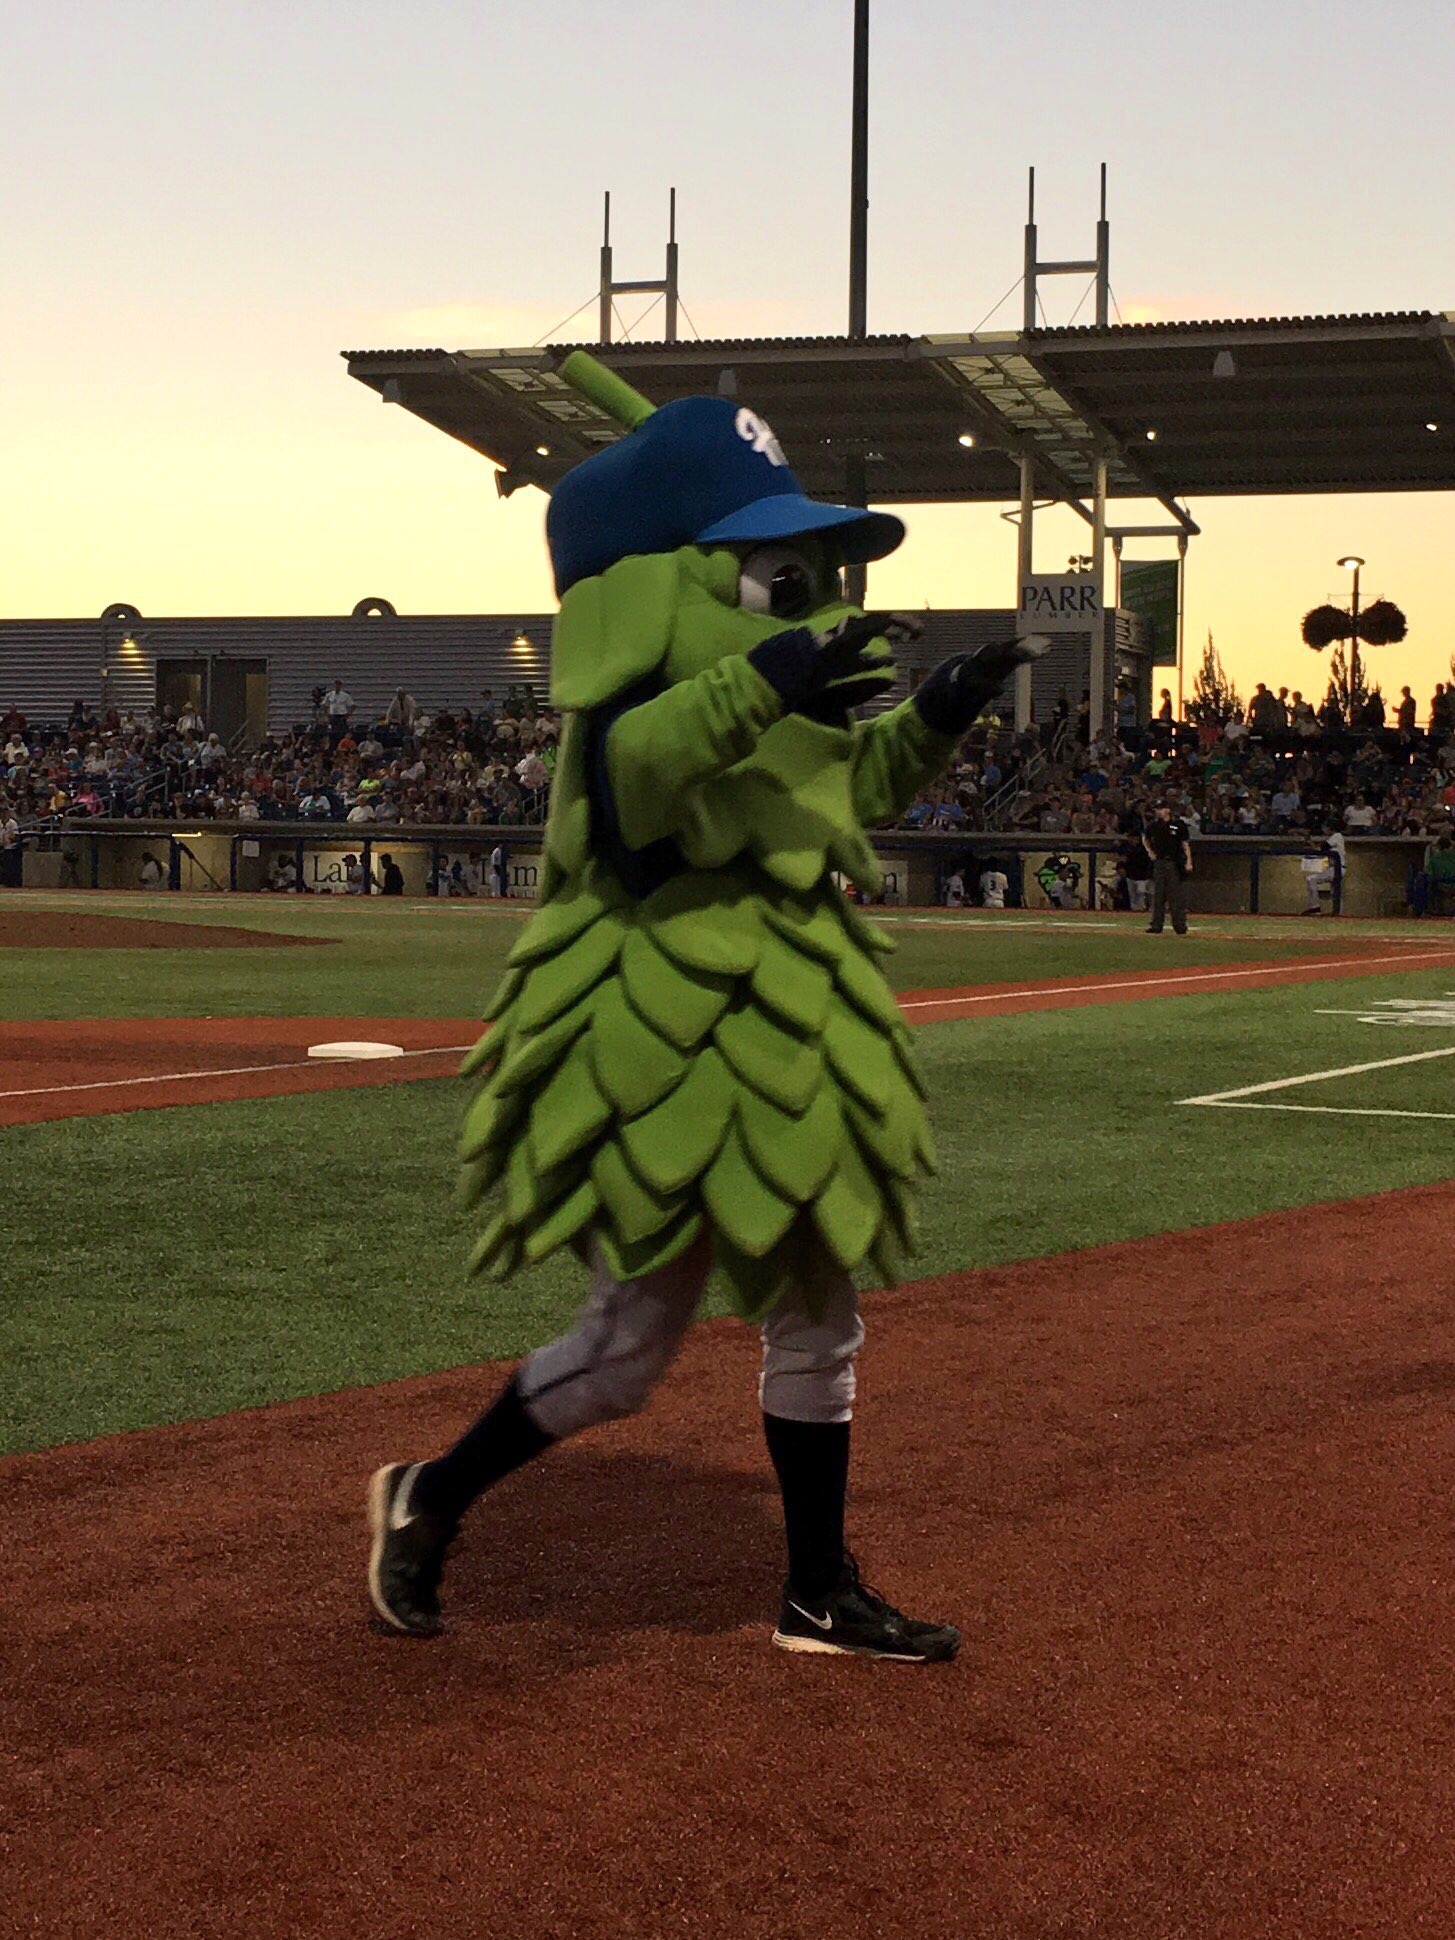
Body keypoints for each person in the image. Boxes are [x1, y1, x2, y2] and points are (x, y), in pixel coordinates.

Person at [366, 352, 1053, 1663]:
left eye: (813, 576)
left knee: (816, 1316)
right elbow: (634, 787)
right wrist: (771, 677)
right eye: (771, 574)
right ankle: (429, 1496)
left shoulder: (783, 701)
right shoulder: (620, 715)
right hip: (655, 1039)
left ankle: (814, 1591)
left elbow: (837, 800)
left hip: (782, 1035)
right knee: (624, 1351)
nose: (810, 602)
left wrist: (939, 719)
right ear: (661, 585)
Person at [1143, 799, 1192, 934]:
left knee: (1175, 896)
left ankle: (1180, 925)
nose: (1158, 811)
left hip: (1174, 862)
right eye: (1157, 809)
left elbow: (1185, 844)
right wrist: (1150, 852)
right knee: (1158, 895)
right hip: (1159, 862)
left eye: (1161, 808)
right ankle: (1156, 925)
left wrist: (1189, 861)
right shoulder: (1154, 826)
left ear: (1167, 810)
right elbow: (1145, 838)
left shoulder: (1178, 824)